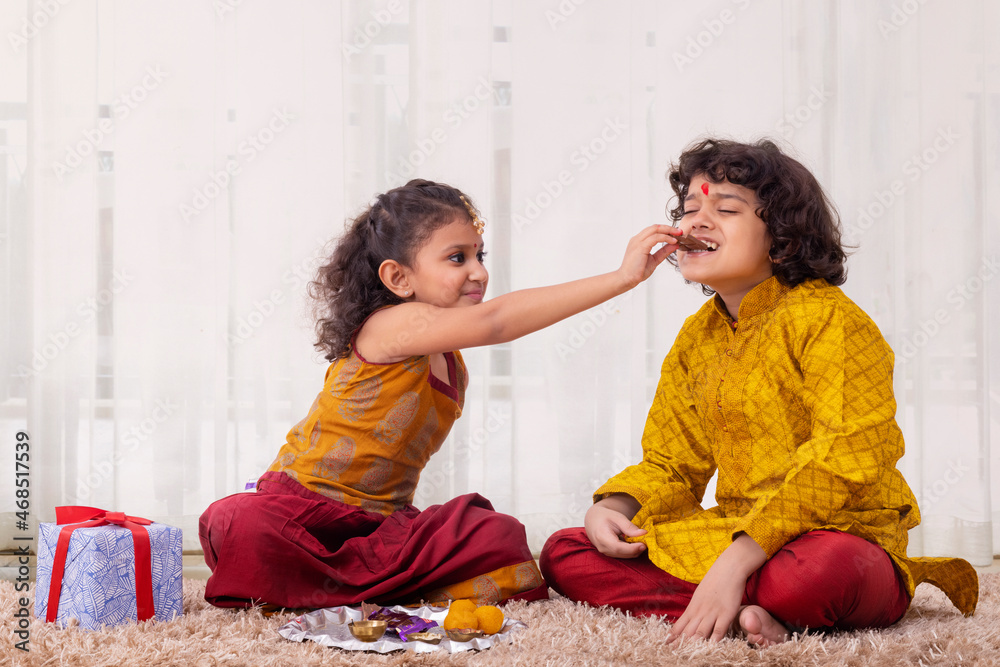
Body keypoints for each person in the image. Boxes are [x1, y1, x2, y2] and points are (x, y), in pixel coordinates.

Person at [539, 138, 979, 646]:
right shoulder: (696, 337)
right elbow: (672, 462)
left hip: (835, 534)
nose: (696, 222)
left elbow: (846, 454)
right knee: (566, 553)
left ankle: (739, 593)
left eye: (725, 208)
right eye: (688, 210)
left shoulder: (831, 320)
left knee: (819, 572)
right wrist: (617, 507)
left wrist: (738, 559)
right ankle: (750, 606)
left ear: (782, 235)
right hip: (735, 532)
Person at [199, 178, 680, 611]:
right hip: (303, 514)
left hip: (380, 528)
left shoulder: (451, 357)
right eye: (457, 258)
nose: (478, 272)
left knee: (496, 533)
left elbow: (489, 323)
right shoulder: (389, 326)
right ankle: (372, 588)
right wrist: (621, 279)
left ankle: (361, 588)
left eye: (479, 255)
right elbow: (497, 322)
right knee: (238, 520)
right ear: (398, 279)